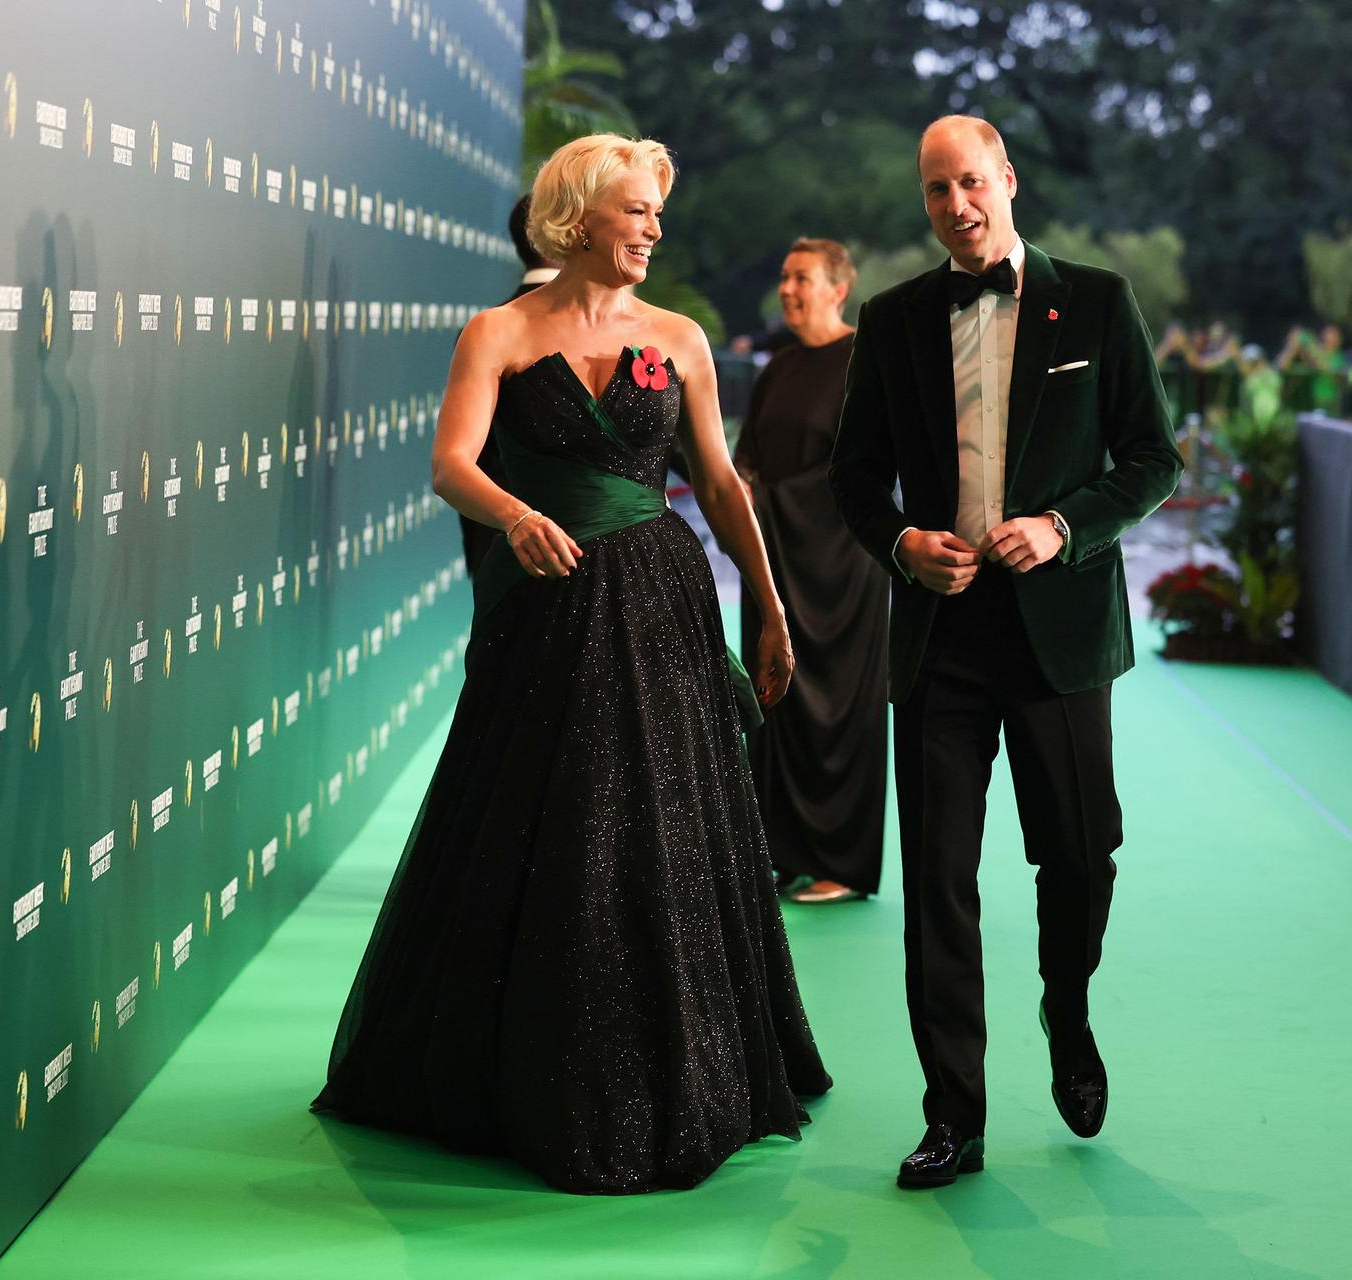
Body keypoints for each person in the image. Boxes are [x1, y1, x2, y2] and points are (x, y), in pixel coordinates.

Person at [313, 134, 831, 1194]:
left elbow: (723, 488)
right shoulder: (499, 331)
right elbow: (450, 462)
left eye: (655, 213)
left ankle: (681, 1068)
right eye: (634, 210)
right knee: (551, 818)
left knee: (661, 820)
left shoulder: (680, 338)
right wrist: (514, 514)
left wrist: (770, 609)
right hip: (543, 614)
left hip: (661, 606)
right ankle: (528, 1073)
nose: (651, 228)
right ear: (579, 213)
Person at [828, 115, 1181, 1189]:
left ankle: (1067, 1013)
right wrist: (899, 544)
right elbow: (854, 478)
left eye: (971, 182)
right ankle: (954, 1115)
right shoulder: (890, 322)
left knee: (1078, 858)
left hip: (1061, 634)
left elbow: (1152, 459)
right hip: (940, 639)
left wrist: (1065, 525)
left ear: (1009, 181)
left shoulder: (1101, 300)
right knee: (937, 882)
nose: (957, 206)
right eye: (936, 191)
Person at [733, 238, 888, 905]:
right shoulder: (778, 367)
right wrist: (739, 494)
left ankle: (841, 863)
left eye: (801, 278)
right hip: (772, 566)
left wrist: (762, 497)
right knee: (776, 700)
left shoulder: (868, 363)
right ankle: (781, 851)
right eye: (784, 276)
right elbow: (746, 462)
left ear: (837, 288)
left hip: (841, 570)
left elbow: (864, 474)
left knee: (834, 707)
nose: (787, 289)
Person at [459, 195, 560, 577]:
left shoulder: (483, 326)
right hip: (552, 538)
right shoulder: (492, 329)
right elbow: (454, 462)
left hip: (492, 534)